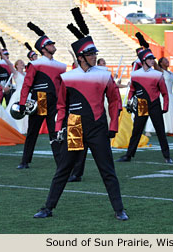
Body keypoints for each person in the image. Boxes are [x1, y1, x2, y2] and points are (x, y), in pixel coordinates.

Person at [33, 8, 128, 220]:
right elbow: (61, 106)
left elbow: (115, 101)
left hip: (98, 128)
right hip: (74, 127)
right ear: (81, 57)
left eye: (95, 53)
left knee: (108, 170)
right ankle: (47, 208)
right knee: (64, 170)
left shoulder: (104, 75)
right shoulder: (67, 77)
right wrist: (58, 129)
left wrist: (113, 126)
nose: (95, 56)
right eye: (92, 54)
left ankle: (119, 209)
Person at [17, 22, 66, 169]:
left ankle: (60, 163)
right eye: (50, 44)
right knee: (33, 131)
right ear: (44, 49)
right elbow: (27, 84)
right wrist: (22, 103)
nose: (53, 45)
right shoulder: (36, 64)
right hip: (41, 100)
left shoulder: (61, 65)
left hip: (56, 101)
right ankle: (25, 161)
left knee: (56, 132)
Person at [116, 35, 172, 164]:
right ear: (144, 60)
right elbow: (132, 90)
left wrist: (165, 107)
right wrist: (130, 101)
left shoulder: (158, 74)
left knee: (160, 131)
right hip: (141, 105)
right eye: (150, 58)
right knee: (136, 131)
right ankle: (128, 155)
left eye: (153, 58)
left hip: (154, 104)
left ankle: (167, 156)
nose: (153, 60)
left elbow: (164, 93)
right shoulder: (135, 74)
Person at [145, 57, 173, 135]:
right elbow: (155, 64)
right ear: (161, 63)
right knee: (158, 112)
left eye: (167, 60)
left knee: (170, 113)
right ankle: (149, 129)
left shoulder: (170, 73)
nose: (168, 61)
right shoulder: (160, 71)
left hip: (170, 96)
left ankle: (168, 129)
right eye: (165, 60)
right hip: (162, 95)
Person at [3, 54, 28, 134]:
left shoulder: (26, 74)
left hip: (27, 95)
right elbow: (10, 65)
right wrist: (4, 57)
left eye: (23, 62)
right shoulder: (16, 73)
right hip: (18, 94)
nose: (22, 63)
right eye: (20, 62)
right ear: (16, 65)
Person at [0, 37, 13, 105]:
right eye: (5, 55)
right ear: (2, 56)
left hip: (9, 86)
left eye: (7, 54)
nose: (7, 56)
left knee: (9, 104)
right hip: (1, 85)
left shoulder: (10, 64)